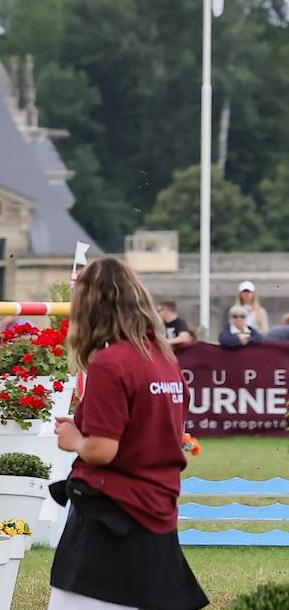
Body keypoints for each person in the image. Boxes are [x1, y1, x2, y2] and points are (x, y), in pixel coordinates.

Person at [47, 256, 207, 610]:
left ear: (91, 307)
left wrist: (74, 439)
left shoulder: (111, 363)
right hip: (157, 511)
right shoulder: (164, 360)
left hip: (111, 514)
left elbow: (103, 450)